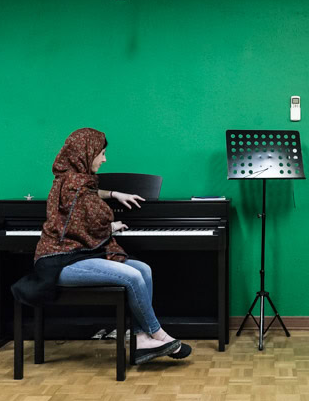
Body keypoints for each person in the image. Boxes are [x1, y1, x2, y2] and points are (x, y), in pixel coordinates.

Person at [11, 128, 191, 364]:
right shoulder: (74, 187)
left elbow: (89, 196)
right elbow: (91, 221)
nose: (104, 159)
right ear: (87, 152)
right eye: (102, 153)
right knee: (132, 277)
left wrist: (114, 193)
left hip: (76, 255)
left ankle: (141, 339)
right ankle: (157, 333)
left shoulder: (71, 179)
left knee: (144, 270)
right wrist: (112, 226)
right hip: (60, 263)